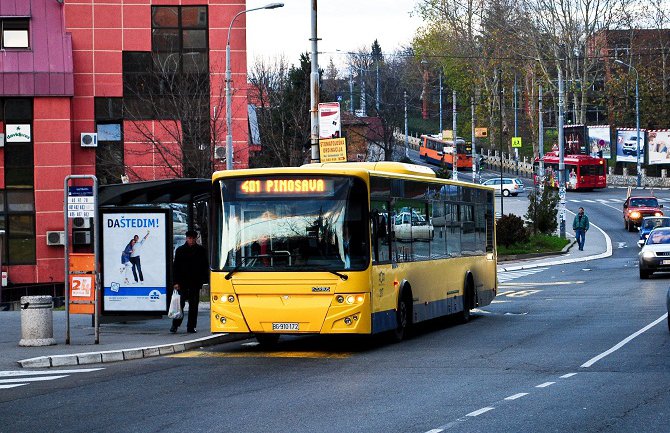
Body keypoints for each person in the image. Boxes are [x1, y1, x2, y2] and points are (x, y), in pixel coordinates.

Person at [170, 230, 209, 334]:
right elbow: (176, 267)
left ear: (195, 239)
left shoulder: (201, 250)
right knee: (180, 304)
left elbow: (204, 266)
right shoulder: (180, 250)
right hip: (182, 282)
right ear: (186, 238)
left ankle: (191, 327)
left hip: (195, 282)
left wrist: (204, 280)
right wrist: (175, 282)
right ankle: (175, 325)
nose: (191, 240)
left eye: (193, 238)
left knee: (193, 306)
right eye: (189, 238)